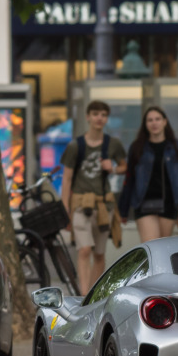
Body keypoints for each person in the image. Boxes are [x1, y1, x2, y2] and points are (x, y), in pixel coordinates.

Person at [60, 100, 127, 295]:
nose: (99, 118)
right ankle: (84, 295)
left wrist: (113, 168)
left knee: (99, 253)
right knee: (84, 250)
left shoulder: (112, 144)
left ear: (107, 119)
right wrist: (65, 207)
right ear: (88, 117)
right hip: (81, 203)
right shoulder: (76, 146)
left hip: (104, 205)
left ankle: (94, 295)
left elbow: (124, 166)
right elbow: (67, 178)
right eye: (96, 114)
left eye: (103, 115)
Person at [119, 107, 178, 242]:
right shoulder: (137, 147)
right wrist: (123, 210)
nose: (154, 123)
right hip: (144, 203)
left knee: (164, 247)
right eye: (150, 120)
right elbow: (129, 179)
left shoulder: (176, 147)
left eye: (157, 119)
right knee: (151, 246)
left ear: (165, 121)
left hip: (169, 203)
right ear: (145, 124)